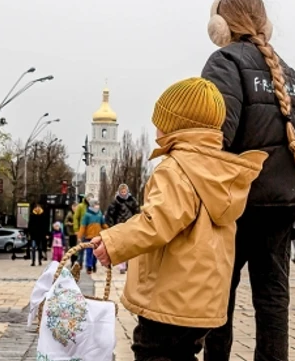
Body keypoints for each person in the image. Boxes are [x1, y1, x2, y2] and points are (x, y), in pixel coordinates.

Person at [93, 77, 267, 361]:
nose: (156, 128)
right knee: (183, 353)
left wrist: (114, 241)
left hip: (170, 296)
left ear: (175, 126)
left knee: (154, 353)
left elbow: (156, 222)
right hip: (203, 301)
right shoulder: (219, 170)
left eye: (160, 121)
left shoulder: (175, 169)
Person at [200, 0, 295, 361]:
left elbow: (219, 131)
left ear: (219, 26)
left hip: (235, 202)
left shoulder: (224, 61)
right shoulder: (291, 73)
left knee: (219, 294)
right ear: (264, 23)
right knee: (273, 298)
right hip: (283, 202)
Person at [106, 183, 141, 274]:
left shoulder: (132, 201)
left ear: (127, 191)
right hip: (119, 227)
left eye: (124, 191)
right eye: (122, 191)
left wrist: (137, 224)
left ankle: (129, 264)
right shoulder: (115, 202)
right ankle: (122, 266)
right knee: (121, 247)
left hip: (130, 226)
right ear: (119, 191)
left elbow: (137, 212)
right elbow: (110, 215)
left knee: (129, 246)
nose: (123, 192)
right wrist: (112, 226)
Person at [78, 195, 107, 274]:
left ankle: (94, 264)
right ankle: (89, 266)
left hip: (97, 237)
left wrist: (109, 229)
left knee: (96, 253)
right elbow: (83, 227)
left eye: (98, 204)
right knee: (89, 252)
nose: (97, 206)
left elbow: (103, 224)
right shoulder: (87, 215)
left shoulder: (99, 214)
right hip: (89, 237)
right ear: (92, 205)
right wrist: (79, 236)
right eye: (96, 204)